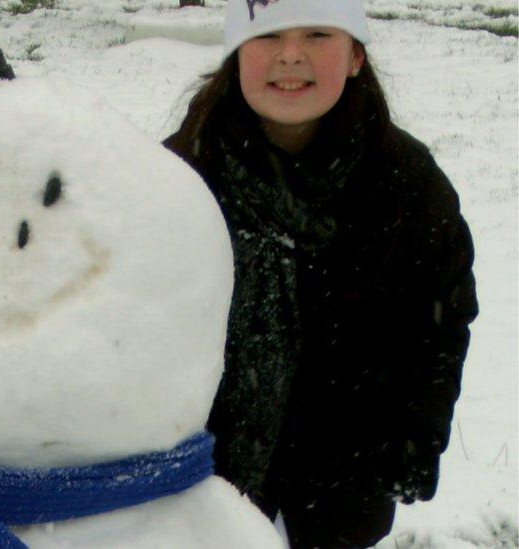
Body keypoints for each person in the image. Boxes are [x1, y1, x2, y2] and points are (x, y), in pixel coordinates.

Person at [163, 1, 479, 547]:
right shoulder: (182, 176)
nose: (291, 56)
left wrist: (417, 437)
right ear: (237, 53)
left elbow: (440, 323)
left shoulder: (408, 185)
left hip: (346, 479)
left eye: (316, 34)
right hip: (201, 481)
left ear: (355, 55)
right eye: (267, 36)